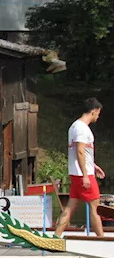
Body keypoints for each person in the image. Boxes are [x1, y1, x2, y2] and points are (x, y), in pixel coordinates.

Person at [55, 98, 106, 236]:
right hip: (83, 174)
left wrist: (94, 166)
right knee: (95, 208)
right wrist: (85, 174)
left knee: (71, 206)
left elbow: (83, 152)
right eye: (98, 113)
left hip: (78, 172)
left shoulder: (74, 126)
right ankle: (102, 240)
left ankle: (56, 236)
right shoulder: (82, 128)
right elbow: (79, 151)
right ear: (94, 111)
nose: (98, 116)